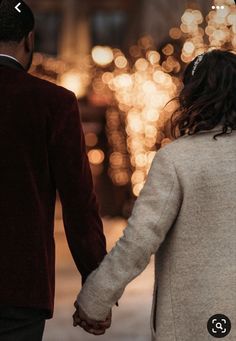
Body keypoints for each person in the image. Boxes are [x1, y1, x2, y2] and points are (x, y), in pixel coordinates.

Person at [74, 49, 236, 340]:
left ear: (191, 95)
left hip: (199, 319)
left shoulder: (178, 159)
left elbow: (139, 240)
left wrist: (94, 301)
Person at [0, 1, 109, 340]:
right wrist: (97, 285)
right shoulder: (53, 102)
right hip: (20, 283)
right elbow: (78, 202)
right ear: (29, 40)